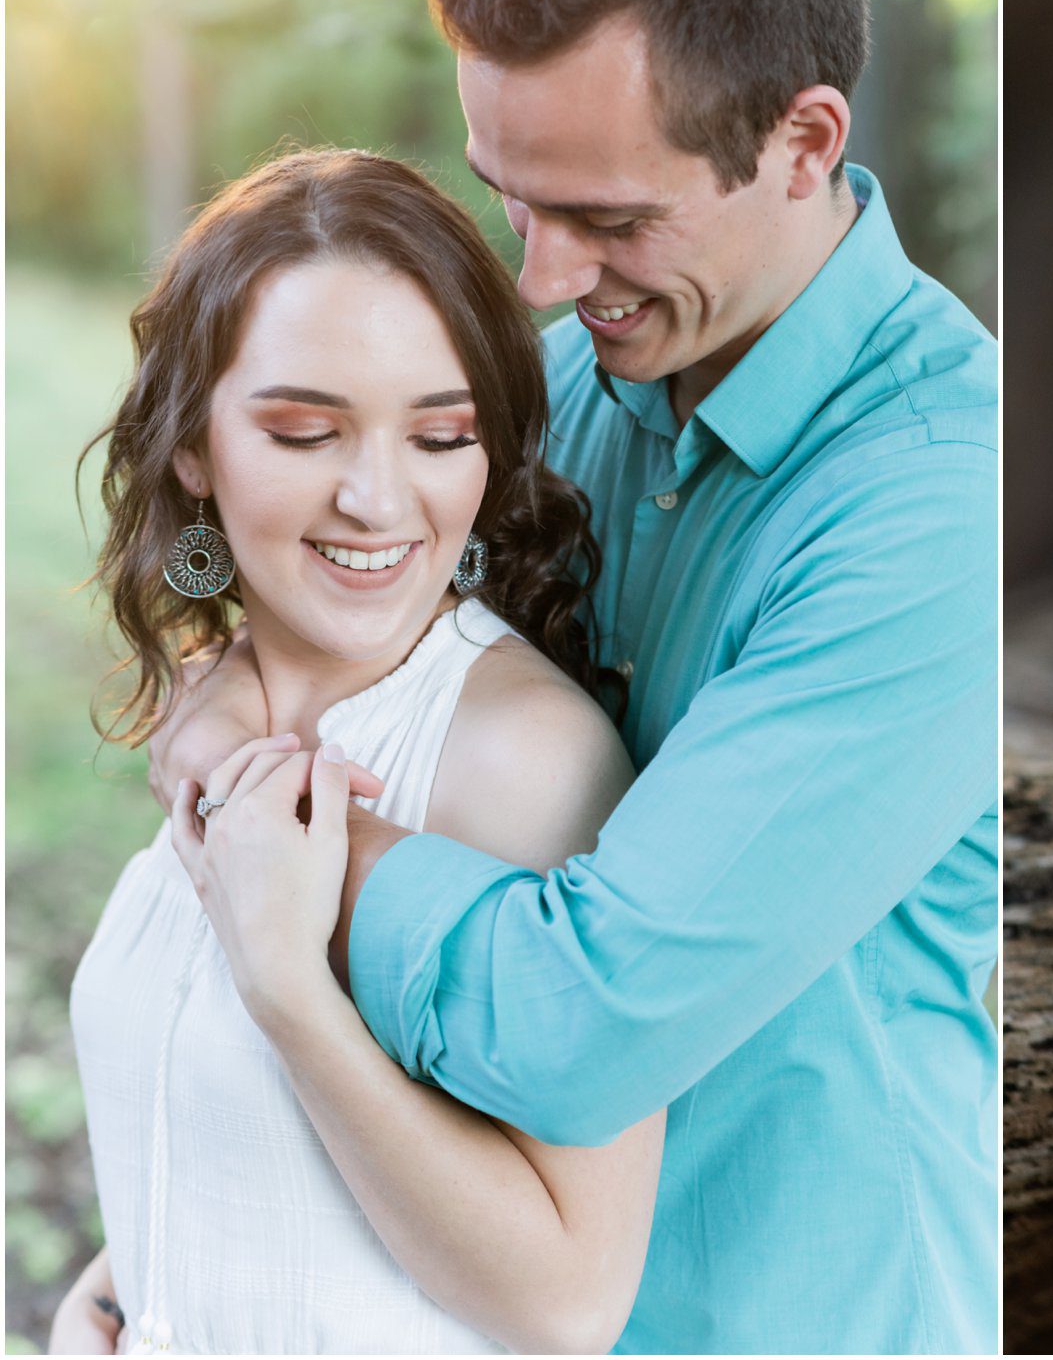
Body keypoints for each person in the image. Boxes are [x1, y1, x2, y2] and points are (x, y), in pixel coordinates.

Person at [157, 0, 1000, 1354]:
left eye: (607, 214)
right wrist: (228, 668)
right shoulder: (565, 387)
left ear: (803, 140)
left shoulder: (941, 510)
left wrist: (275, 810)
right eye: (512, 196)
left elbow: (577, 1022)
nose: (542, 275)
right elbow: (359, 625)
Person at [57, 148, 665, 1354]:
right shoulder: (218, 714)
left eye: (440, 437)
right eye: (303, 431)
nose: (379, 503)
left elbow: (567, 1303)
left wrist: (290, 991)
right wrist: (121, 1285)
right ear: (192, 447)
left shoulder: (523, 760)